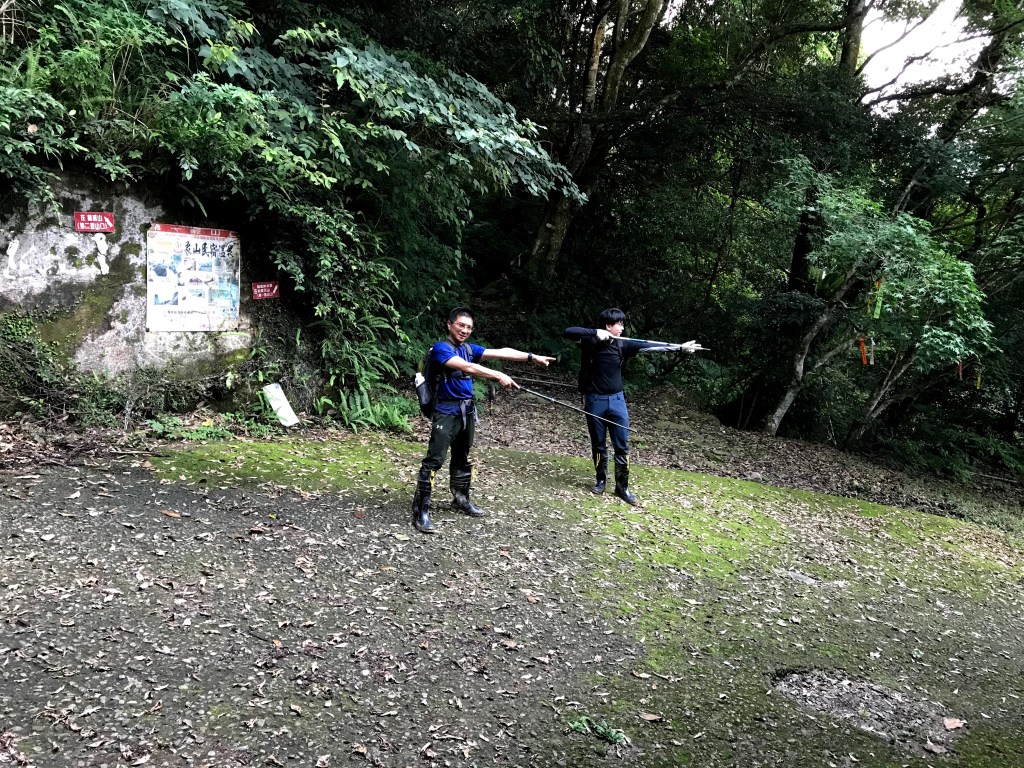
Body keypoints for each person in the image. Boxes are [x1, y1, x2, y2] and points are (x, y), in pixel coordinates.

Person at [413, 307, 555, 534]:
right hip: (446, 411)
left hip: (466, 411)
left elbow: (502, 352)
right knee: (434, 460)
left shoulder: (469, 349)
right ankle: (421, 510)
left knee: (462, 458)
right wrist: (498, 375)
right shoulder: (441, 348)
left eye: (469, 327)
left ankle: (460, 499)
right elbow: (468, 367)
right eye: (461, 325)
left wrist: (531, 357)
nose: (465, 330)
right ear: (449, 324)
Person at [565, 308, 698, 505]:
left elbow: (650, 346)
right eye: (619, 324)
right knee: (598, 444)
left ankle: (622, 487)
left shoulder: (623, 344)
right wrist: (595, 332)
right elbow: (568, 332)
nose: (622, 327)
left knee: (622, 446)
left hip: (617, 401)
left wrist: (680, 348)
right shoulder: (589, 341)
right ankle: (600, 481)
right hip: (594, 400)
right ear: (608, 325)